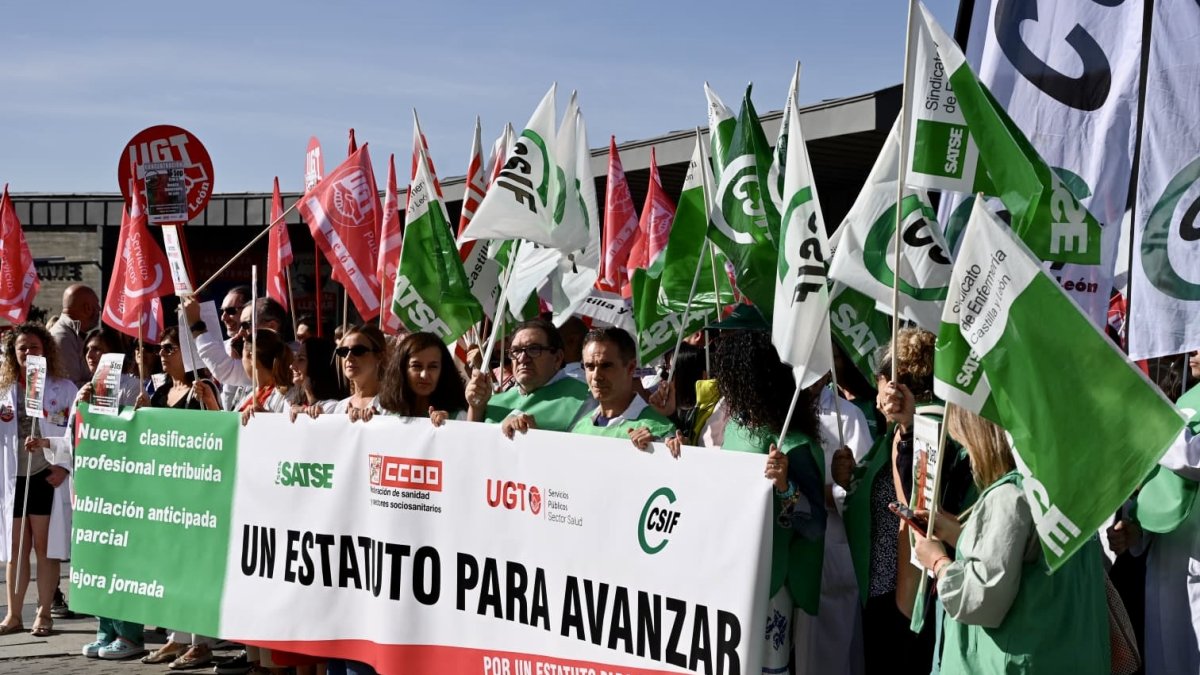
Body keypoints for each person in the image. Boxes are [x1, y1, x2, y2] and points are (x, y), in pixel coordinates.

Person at [913, 405, 1109, 673]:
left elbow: (980, 599)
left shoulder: (1009, 495)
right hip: (1069, 657)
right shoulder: (1062, 486)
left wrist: (937, 562)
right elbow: (1026, 561)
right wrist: (958, 535)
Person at [709, 329, 827, 673]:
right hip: (735, 572)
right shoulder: (735, 428)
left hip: (774, 583)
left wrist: (785, 485)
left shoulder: (794, 445)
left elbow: (815, 525)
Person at [0, 324, 79, 640]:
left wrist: (66, 468)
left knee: (46, 549)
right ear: (12, 353)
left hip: (47, 475)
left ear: (45, 349)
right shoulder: (4, 389)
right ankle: (14, 614)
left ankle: (45, 613)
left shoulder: (64, 388)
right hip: (13, 477)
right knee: (17, 548)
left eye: (34, 346)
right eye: (22, 347)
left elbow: (79, 434)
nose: (28, 352)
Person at [465, 319, 592, 436]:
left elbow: (584, 455)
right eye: (516, 351)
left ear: (557, 358)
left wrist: (535, 438)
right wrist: (476, 408)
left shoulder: (584, 398)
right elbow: (472, 446)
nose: (522, 358)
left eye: (534, 349)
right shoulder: (493, 400)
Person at [569, 327, 674, 448]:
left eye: (606, 366)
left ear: (630, 368)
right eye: (590, 366)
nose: (596, 376)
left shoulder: (659, 431)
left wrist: (657, 446)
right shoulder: (580, 427)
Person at [184, 295, 290, 411]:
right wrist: (210, 401)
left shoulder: (289, 388)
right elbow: (230, 423)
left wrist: (196, 324)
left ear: (271, 326)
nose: (240, 333)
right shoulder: (253, 388)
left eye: (246, 325)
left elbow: (223, 369)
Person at [378, 332, 467, 425]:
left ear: (443, 370)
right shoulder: (386, 415)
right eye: (417, 366)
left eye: (433, 366)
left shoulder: (458, 417)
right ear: (402, 369)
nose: (424, 375)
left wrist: (449, 426)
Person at [329, 325, 388, 421]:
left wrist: (379, 423)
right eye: (343, 351)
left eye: (358, 350)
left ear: (379, 356)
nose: (348, 357)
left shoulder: (393, 408)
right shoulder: (339, 408)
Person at [237, 329, 295, 424]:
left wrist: (266, 418)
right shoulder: (249, 392)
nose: (241, 360)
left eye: (242, 355)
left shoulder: (287, 394)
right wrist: (211, 401)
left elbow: (289, 430)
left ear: (252, 357)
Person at [49, 284, 100, 387]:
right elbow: (71, 387)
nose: (99, 310)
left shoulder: (71, 334)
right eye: (97, 306)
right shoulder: (63, 338)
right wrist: (107, 385)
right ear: (88, 308)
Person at [287, 336, 346, 419]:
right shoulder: (293, 403)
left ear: (318, 364)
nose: (292, 366)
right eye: (295, 359)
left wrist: (305, 413)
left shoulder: (333, 407)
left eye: (301, 359)